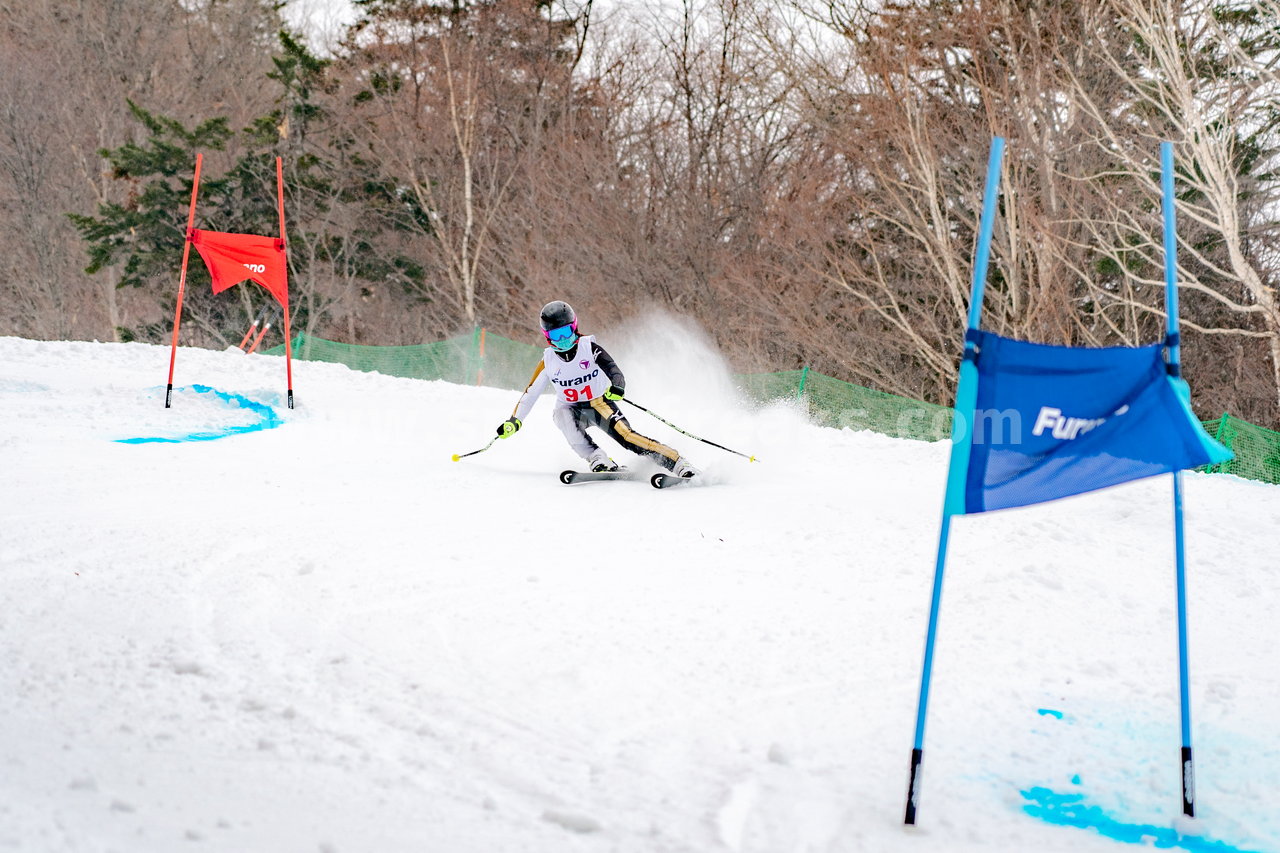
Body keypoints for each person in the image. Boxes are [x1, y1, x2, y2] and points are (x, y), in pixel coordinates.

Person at [495, 301, 699, 477]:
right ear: (547, 337)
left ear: (574, 328)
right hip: (572, 408)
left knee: (627, 438)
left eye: (566, 332)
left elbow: (613, 369)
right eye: (556, 335)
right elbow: (530, 394)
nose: (563, 340)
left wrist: (618, 386)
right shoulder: (548, 361)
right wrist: (515, 421)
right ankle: (598, 459)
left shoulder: (588, 348)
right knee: (561, 416)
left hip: (599, 404)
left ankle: (678, 462)